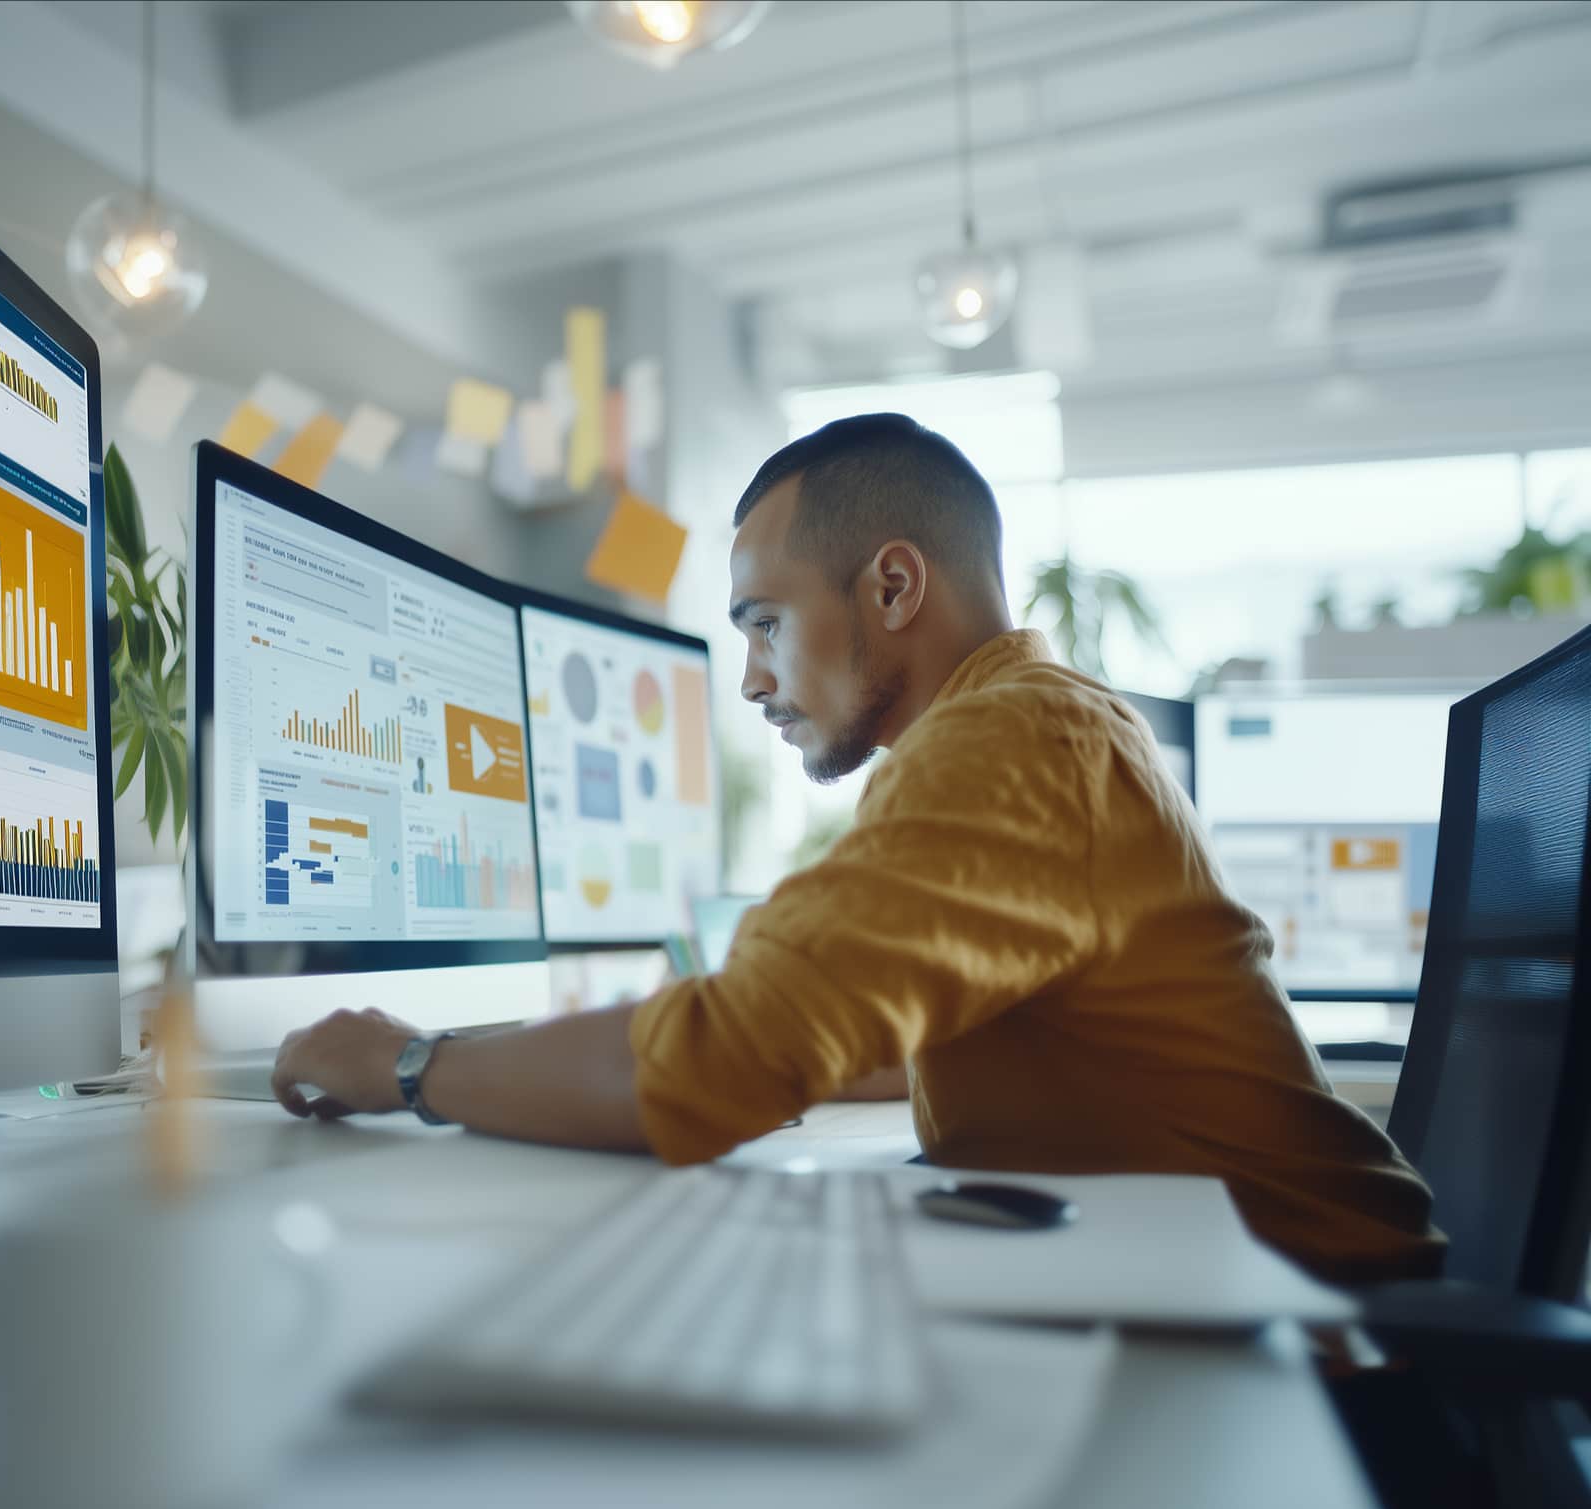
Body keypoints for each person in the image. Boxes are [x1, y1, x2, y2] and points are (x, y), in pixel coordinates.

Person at [271, 413, 1443, 1284]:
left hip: (1330, 1360)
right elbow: (894, 1030)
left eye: (765, 623)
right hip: (1254, 1290)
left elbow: (722, 1064)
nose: (751, 680)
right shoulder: (1045, 722)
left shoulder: (1012, 741)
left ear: (891, 586)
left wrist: (412, 1066)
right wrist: (774, 1041)